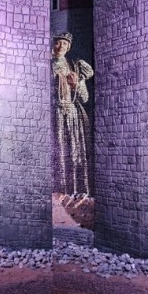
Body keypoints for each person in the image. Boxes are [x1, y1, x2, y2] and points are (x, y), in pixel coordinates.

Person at [51, 32, 93, 201]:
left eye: (65, 44)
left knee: (73, 153)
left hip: (71, 117)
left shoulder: (74, 67)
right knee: (57, 152)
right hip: (53, 115)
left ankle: (73, 192)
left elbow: (84, 98)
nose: (61, 47)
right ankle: (56, 191)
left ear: (69, 47)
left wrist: (76, 85)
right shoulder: (46, 65)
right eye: (58, 43)